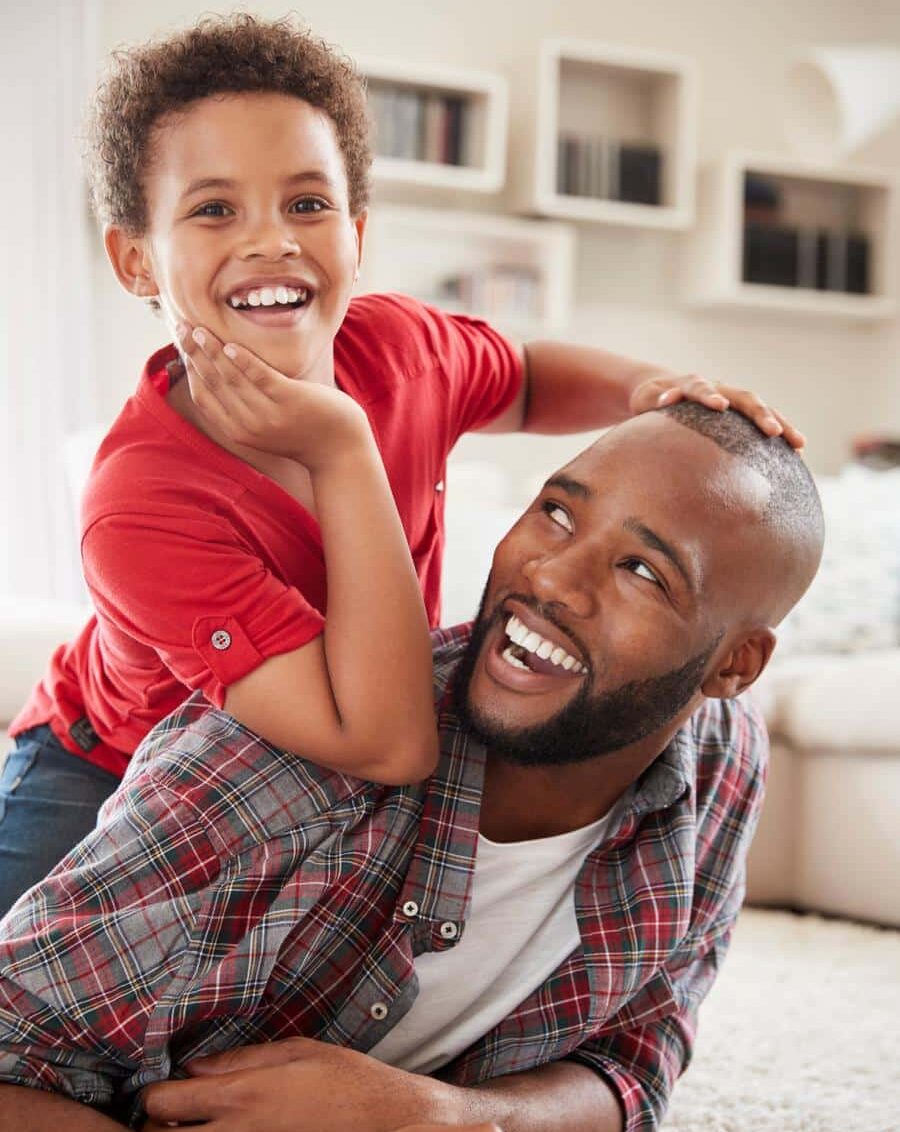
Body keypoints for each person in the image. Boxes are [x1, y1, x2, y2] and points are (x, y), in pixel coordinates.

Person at [0, 402, 824, 1132]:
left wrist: (427, 1113)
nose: (552, 575)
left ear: (732, 667)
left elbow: (634, 1065)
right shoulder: (279, 773)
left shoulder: (719, 762)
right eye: (556, 510)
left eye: (641, 570)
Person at [0, 13, 804, 911]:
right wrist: (342, 444)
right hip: (104, 765)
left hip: (320, 754)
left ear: (357, 233)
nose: (273, 240)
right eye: (214, 208)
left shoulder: (403, 351)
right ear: (136, 259)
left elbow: (528, 379)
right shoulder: (141, 504)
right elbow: (387, 743)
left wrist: (651, 388)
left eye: (308, 204)